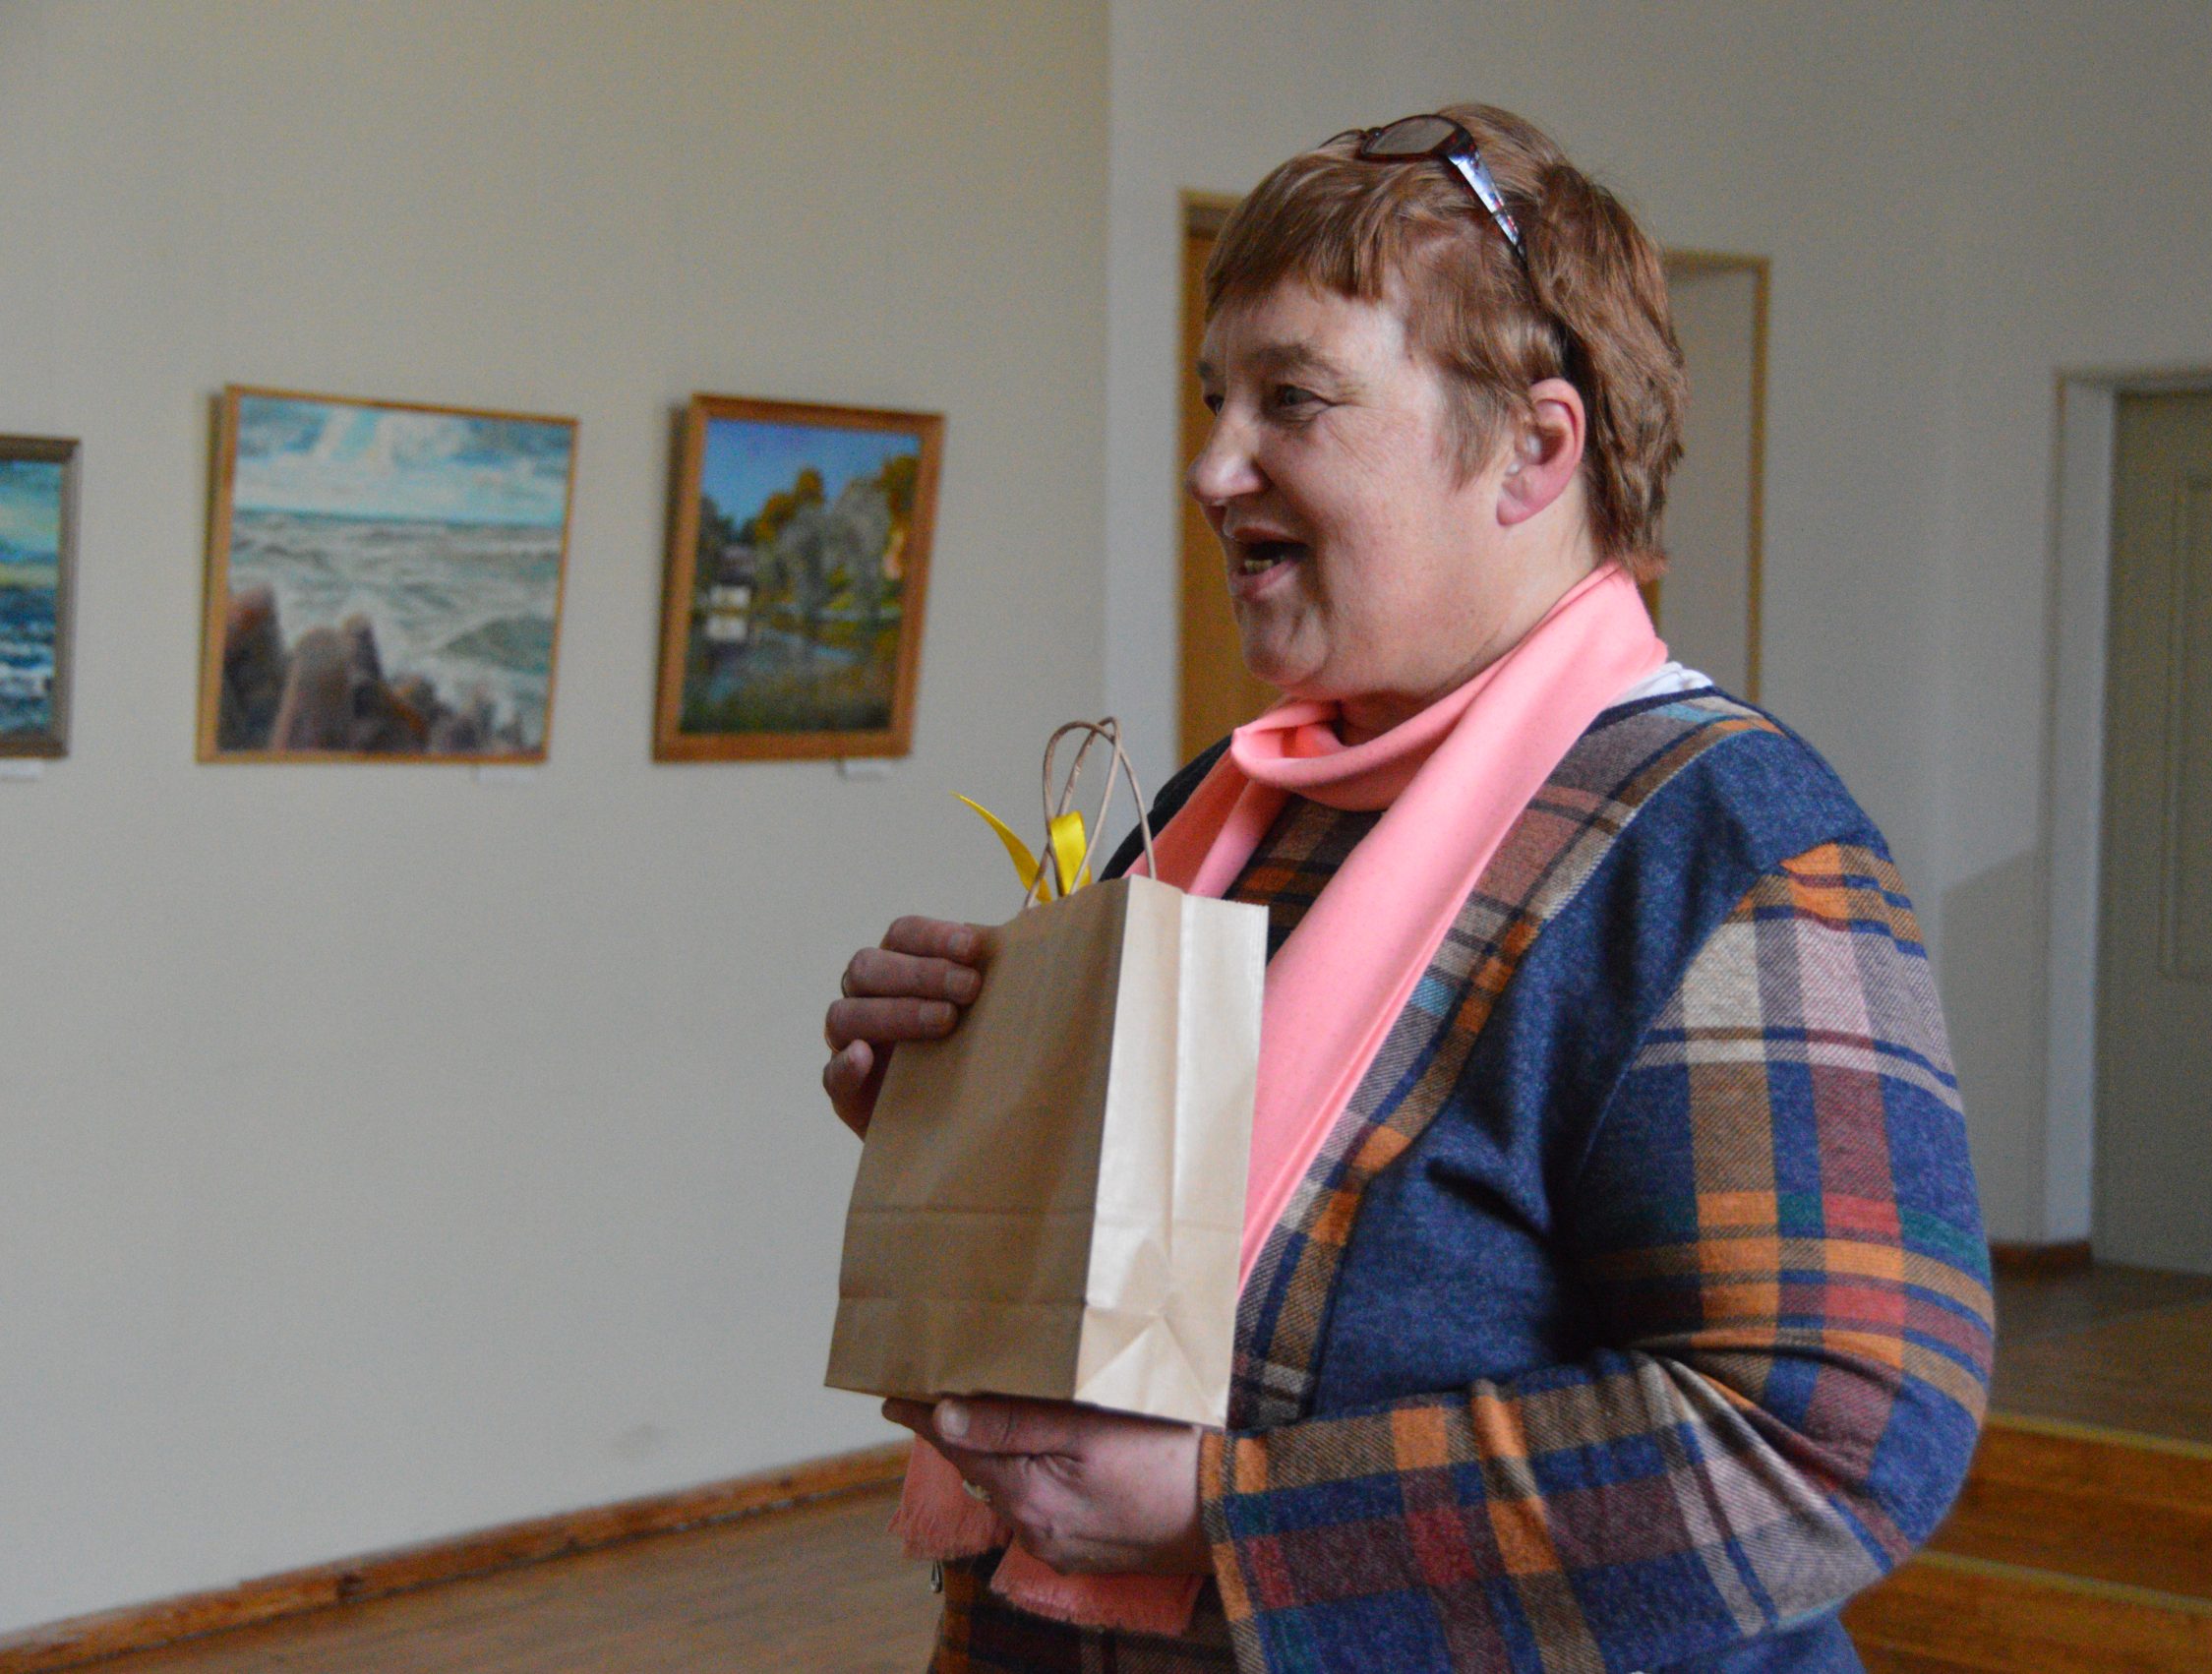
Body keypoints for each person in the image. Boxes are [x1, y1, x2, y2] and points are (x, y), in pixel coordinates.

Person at [822, 104, 1992, 1673]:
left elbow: (1824, 1447)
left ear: (1533, 449)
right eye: (1214, 398)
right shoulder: (1220, 806)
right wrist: (969, 1113)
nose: (1211, 466)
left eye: (1292, 399)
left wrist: (1225, 1513)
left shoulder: (1731, 846)